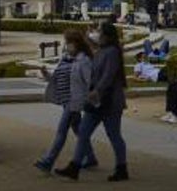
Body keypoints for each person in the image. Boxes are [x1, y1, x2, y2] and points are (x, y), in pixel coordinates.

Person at [55, 21, 129, 182]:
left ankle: (122, 167)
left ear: (107, 36)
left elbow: (108, 76)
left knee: (114, 135)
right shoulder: (103, 50)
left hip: (108, 101)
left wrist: (97, 91)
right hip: (97, 101)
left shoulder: (112, 52)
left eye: (100, 32)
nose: (97, 34)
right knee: (83, 132)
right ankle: (75, 166)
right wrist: (87, 37)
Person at [35, 30, 98, 173]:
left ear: (77, 44)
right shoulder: (65, 58)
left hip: (74, 101)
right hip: (65, 100)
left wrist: (91, 98)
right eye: (66, 42)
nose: (67, 46)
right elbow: (56, 78)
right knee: (78, 130)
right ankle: (91, 157)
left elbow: (90, 81)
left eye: (69, 43)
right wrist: (46, 74)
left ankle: (48, 161)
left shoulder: (84, 60)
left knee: (61, 131)